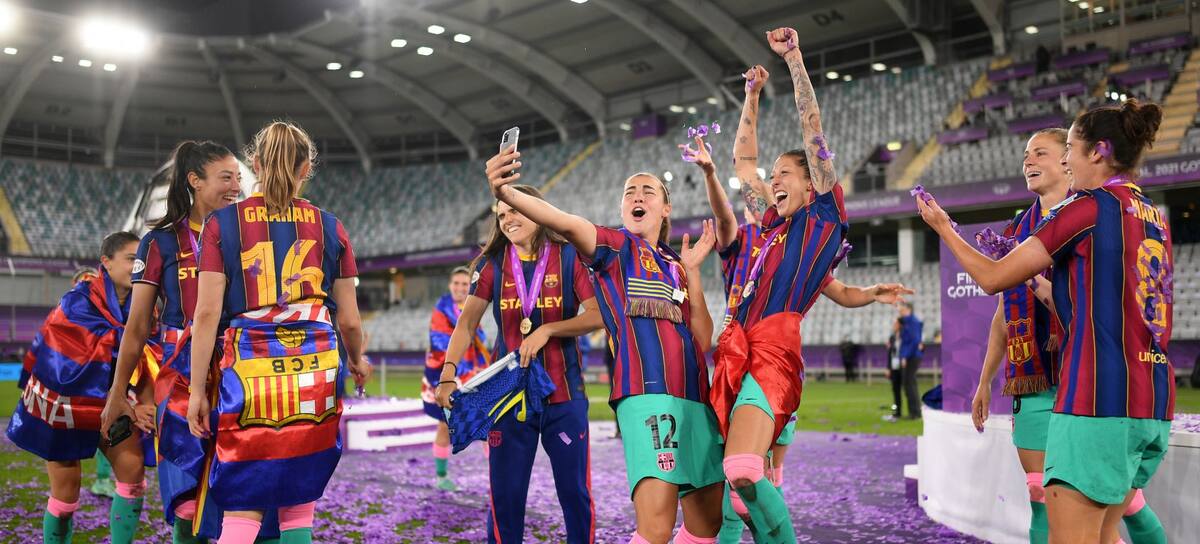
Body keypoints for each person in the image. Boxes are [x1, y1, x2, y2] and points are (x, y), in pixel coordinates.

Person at [916, 99, 1173, 544]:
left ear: (1099, 151)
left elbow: (993, 278)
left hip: (1097, 401)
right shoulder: (1154, 216)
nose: (1068, 160)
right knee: (1105, 536)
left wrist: (943, 228)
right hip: (1152, 402)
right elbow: (1086, 302)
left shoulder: (1087, 206)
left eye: (1069, 148)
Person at [702, 34, 912, 542]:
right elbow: (743, 165)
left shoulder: (823, 215)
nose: (773, 180)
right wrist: (751, 96)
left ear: (811, 181)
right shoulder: (772, 226)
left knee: (744, 470)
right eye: (772, 174)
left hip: (774, 350)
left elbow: (812, 127)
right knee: (735, 483)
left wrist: (794, 60)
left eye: (785, 173)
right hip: (736, 349)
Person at [484, 148, 725, 544]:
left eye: (648, 191)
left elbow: (702, 338)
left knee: (707, 522)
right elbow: (564, 221)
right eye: (630, 192)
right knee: (656, 526)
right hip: (647, 395)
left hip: (695, 398)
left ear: (666, 208)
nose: (637, 196)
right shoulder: (615, 249)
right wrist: (505, 193)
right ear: (622, 208)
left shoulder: (676, 264)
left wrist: (693, 272)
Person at [186, 121, 371, 544]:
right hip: (315, 370)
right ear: (307, 169)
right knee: (298, 501)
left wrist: (197, 390)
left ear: (254, 164)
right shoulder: (330, 225)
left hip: (250, 368)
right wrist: (357, 360)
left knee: (243, 499)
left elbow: (207, 313)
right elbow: (349, 321)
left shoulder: (221, 224)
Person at [435, 184, 603, 543]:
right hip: (507, 399)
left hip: (564, 396)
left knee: (574, 493)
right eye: (501, 214)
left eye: (514, 209)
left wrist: (549, 330)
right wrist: (447, 374)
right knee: (506, 497)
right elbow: (466, 324)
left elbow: (597, 314)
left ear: (536, 210)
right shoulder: (493, 265)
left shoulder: (569, 256)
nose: (507, 219)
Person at [7, 232, 156, 544]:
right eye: (131, 259)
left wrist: (144, 400)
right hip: (67, 406)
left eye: (141, 259)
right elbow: (63, 362)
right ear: (106, 262)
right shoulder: (77, 302)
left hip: (113, 403)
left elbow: (146, 355)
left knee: (133, 473)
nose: (138, 266)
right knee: (65, 499)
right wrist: (132, 336)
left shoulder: (146, 304)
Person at [421, 266, 489, 491]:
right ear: (450, 285)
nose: (460, 288)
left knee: (488, 423)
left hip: (472, 372)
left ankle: (497, 477)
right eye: (456, 283)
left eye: (464, 284)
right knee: (444, 426)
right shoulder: (441, 310)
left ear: (470, 286)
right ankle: (441, 477)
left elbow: (479, 340)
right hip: (447, 373)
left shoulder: (472, 306)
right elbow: (440, 343)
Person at [894, 303, 923, 419]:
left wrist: (905, 356)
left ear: (909, 309)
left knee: (909, 384)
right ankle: (915, 412)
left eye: (902, 309)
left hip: (911, 357)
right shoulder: (907, 322)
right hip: (910, 356)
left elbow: (915, 341)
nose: (900, 310)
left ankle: (914, 412)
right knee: (910, 384)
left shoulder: (913, 322)